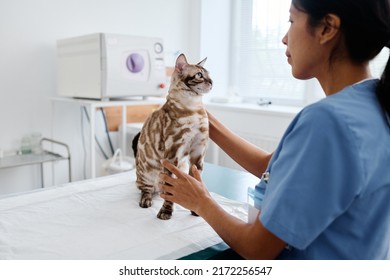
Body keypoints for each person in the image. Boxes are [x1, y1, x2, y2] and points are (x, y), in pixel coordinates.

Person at [159, 0, 390, 259]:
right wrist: (207, 122)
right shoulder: (372, 103)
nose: (283, 38)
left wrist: (200, 200)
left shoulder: (328, 121)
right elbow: (276, 167)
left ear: (327, 28)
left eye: (291, 21)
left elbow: (258, 249)